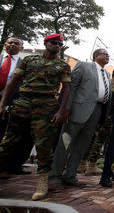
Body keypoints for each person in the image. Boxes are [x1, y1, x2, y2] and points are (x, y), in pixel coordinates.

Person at [0, 34, 71, 200]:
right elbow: (13, 81)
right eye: (54, 43)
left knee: (43, 145)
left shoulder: (63, 65)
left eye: (60, 44)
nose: (57, 46)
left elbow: (67, 88)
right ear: (46, 43)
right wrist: (2, 103)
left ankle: (42, 182)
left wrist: (61, 111)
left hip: (46, 106)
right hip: (23, 103)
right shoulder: (29, 60)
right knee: (8, 141)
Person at [49, 48, 111, 188]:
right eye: (104, 54)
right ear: (95, 56)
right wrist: (66, 109)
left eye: (108, 55)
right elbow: (71, 87)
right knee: (65, 143)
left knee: (81, 146)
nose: (107, 56)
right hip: (77, 110)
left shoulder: (106, 73)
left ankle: (70, 175)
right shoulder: (84, 66)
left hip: (96, 111)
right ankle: (54, 176)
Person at [84, 67, 114, 176]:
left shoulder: (106, 83)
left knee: (90, 137)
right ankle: (91, 165)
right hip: (108, 117)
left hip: (96, 114)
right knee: (99, 139)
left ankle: (82, 163)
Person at [0, 37, 30, 175]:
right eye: (10, 42)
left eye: (16, 43)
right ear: (5, 44)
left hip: (12, 103)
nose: (12, 45)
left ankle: (6, 166)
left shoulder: (25, 64)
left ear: (21, 47)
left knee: (8, 133)